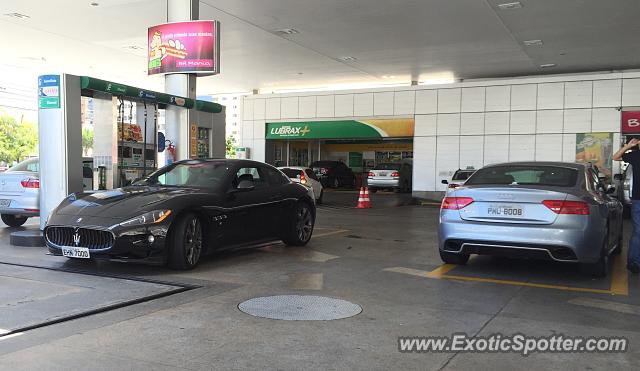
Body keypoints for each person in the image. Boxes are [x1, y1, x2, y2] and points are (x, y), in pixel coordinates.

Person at [613, 138, 640, 273]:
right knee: (638, 232)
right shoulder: (635, 155)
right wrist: (628, 146)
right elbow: (615, 157)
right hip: (638, 200)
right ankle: (634, 263)